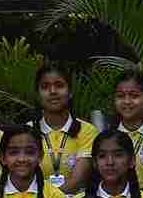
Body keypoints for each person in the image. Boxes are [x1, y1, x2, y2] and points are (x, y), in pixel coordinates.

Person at [32, 60, 97, 190]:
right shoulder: (28, 131)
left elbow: (77, 181)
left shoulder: (87, 131)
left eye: (59, 85)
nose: (52, 91)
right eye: (45, 87)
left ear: (70, 92)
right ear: (38, 95)